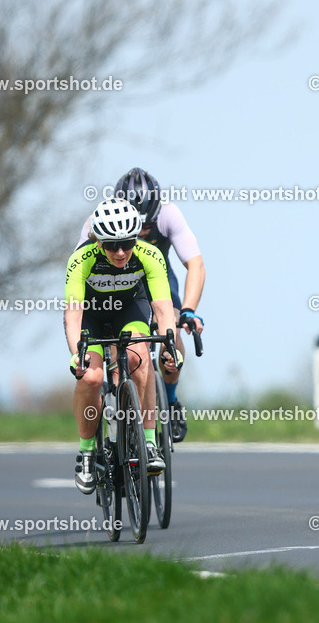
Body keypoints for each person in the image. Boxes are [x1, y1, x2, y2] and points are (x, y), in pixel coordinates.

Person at [79, 168, 205, 443]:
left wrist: (188, 310)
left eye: (149, 227)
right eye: (140, 227)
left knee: (170, 324)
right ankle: (118, 406)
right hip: (115, 287)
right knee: (116, 337)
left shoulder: (169, 214)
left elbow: (195, 263)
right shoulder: (98, 221)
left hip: (155, 279)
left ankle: (170, 404)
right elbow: (80, 268)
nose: (144, 233)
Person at [65, 198, 176, 494]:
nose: (120, 252)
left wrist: (169, 346)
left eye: (126, 243)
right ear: (98, 241)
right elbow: (73, 314)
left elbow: (164, 309)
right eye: (111, 245)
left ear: (136, 237)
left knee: (141, 358)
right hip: (92, 314)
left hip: (130, 309)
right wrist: (77, 355)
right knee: (91, 377)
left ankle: (149, 442)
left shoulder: (150, 255)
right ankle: (87, 452)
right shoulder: (82, 258)